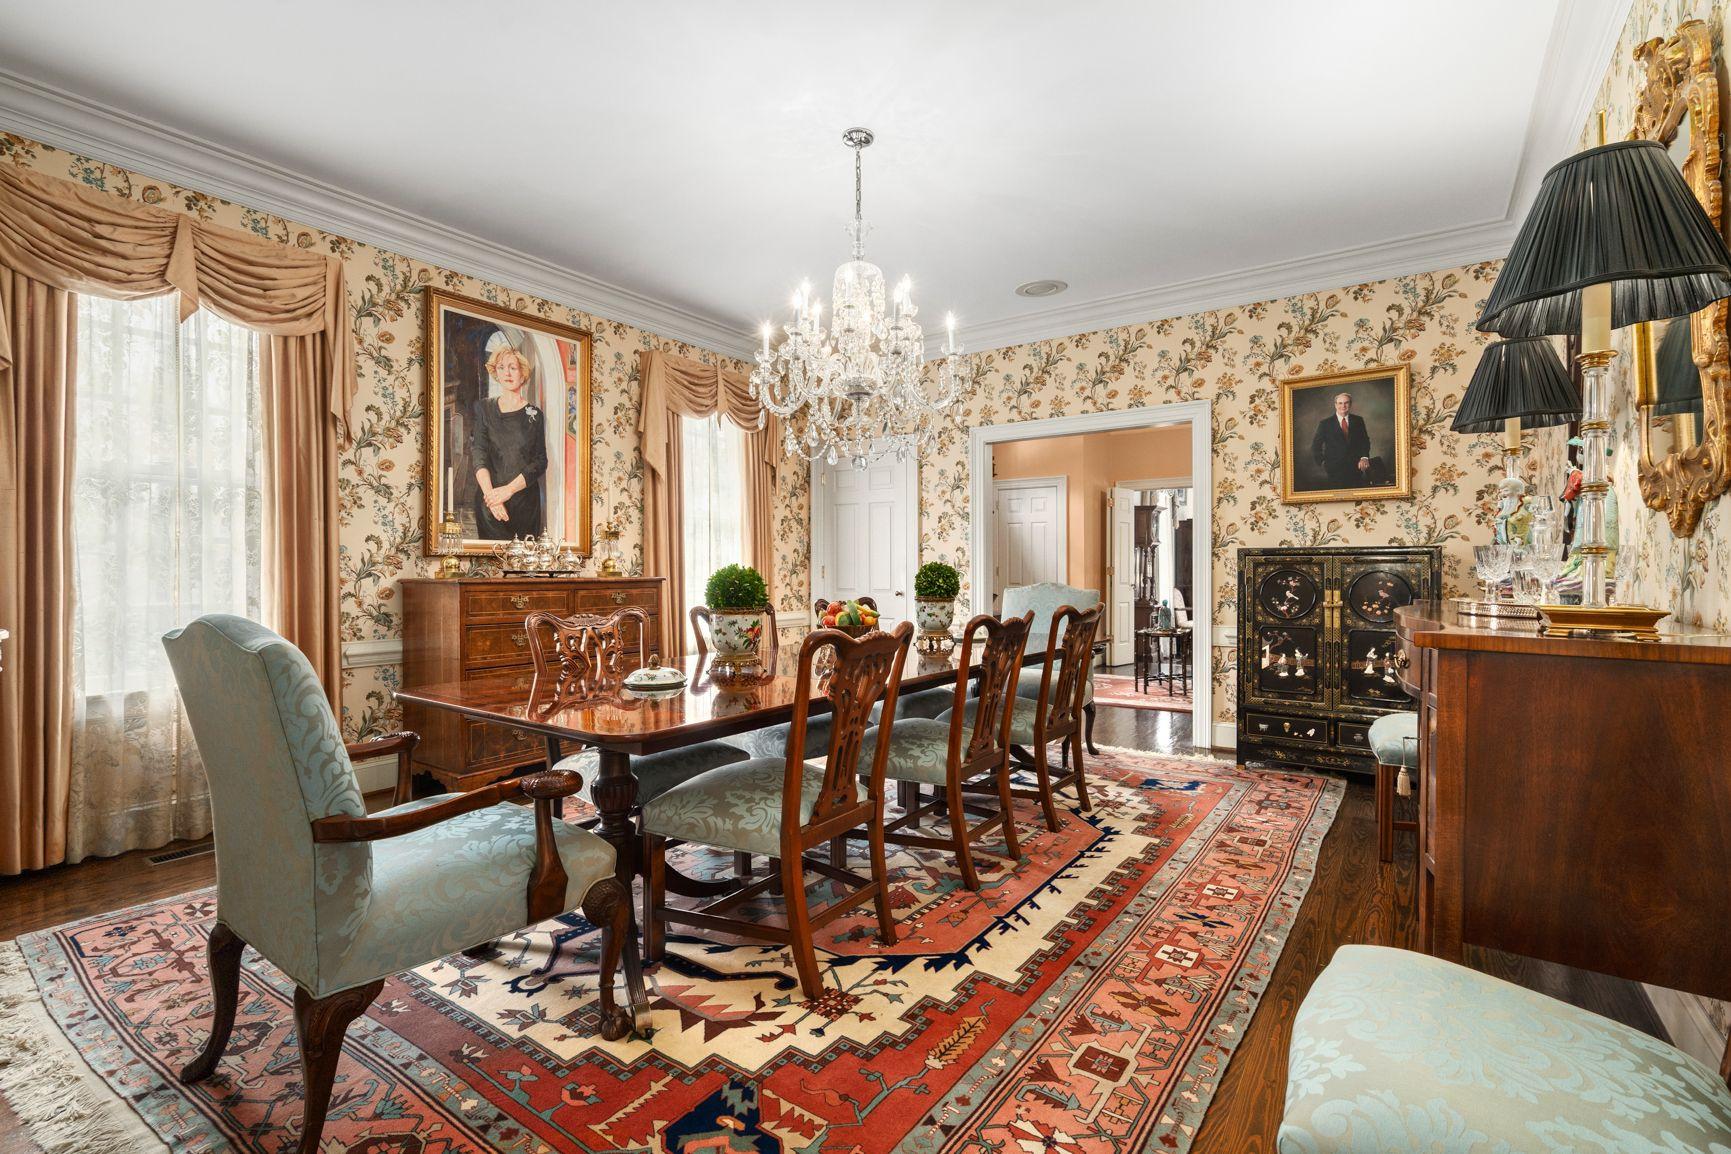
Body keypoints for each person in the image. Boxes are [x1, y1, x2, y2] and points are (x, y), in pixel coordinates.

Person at [470, 343, 547, 540]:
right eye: (501, 367)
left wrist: (508, 490)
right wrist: (493, 499)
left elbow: (540, 461)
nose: (507, 373)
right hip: (491, 505)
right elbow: (479, 455)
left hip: (525, 505)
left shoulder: (534, 415)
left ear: (522, 374)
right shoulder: (483, 408)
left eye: (513, 367)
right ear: (496, 373)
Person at [1310, 391, 1373, 489]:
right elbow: (1316, 445)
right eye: (1340, 403)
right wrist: (1322, 462)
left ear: (1350, 404)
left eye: (1346, 403)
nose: (1343, 406)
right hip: (1334, 468)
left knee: (1355, 495)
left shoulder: (1358, 420)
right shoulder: (1325, 424)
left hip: (1355, 467)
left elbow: (1364, 441)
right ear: (1335, 405)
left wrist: (1364, 457)